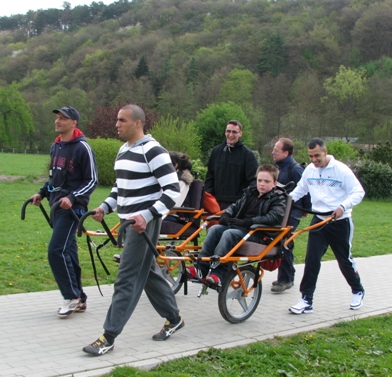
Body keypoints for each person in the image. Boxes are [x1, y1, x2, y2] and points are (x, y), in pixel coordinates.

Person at [83, 104, 183, 356]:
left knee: (126, 278)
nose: (116, 124)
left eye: (122, 120)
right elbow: (120, 188)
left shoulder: (154, 151)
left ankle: (108, 336)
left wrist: (148, 215)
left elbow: (172, 190)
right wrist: (105, 208)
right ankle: (174, 318)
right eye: (117, 119)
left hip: (144, 226)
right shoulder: (123, 150)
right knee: (148, 273)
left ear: (137, 123)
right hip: (127, 224)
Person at [30, 106, 98, 318]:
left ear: (74, 123)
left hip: (73, 209)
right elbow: (54, 177)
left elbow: (92, 180)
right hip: (57, 206)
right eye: (57, 118)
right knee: (68, 252)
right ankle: (80, 297)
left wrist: (73, 197)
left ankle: (70, 297)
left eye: (62, 118)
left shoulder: (82, 148)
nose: (57, 121)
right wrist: (42, 193)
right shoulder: (56, 146)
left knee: (56, 250)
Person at [288, 138, 366, 315]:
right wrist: (286, 201)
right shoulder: (310, 169)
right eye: (310, 156)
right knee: (312, 260)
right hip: (319, 220)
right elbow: (300, 189)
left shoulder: (341, 170)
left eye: (317, 155)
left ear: (325, 151)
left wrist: (342, 207)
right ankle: (306, 300)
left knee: (344, 260)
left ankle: (357, 290)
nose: (314, 160)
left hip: (340, 222)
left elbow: (358, 192)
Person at [185, 164, 287, 287]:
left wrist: (248, 222)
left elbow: (274, 217)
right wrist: (226, 215)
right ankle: (200, 268)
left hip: (260, 234)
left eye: (266, 181)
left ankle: (219, 274)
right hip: (242, 230)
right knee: (215, 229)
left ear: (274, 183)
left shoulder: (278, 198)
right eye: (259, 180)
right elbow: (235, 206)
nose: (262, 184)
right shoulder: (250, 193)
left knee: (229, 234)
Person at [270, 137, 305, 293]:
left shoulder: (295, 169)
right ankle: (287, 275)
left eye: (276, 150)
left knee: (284, 243)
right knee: (282, 243)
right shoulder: (278, 168)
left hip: (292, 213)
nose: (273, 152)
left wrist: (303, 210)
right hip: (281, 212)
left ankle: (286, 279)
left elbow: (306, 190)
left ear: (286, 152)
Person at [204, 120, 259, 210]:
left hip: (237, 203)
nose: (230, 135)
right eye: (228, 131)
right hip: (216, 202)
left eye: (234, 132)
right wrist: (209, 195)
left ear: (240, 134)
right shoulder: (216, 151)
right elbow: (210, 175)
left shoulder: (247, 154)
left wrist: (245, 200)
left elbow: (253, 180)